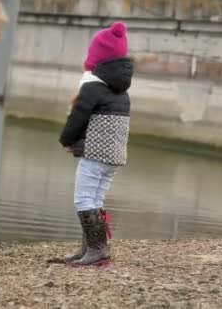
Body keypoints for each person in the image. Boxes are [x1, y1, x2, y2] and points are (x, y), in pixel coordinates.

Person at [57, 21, 133, 267]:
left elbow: (79, 117)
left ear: (96, 57)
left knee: (84, 199)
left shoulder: (92, 86)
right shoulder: (121, 91)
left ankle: (97, 250)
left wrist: (66, 139)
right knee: (96, 199)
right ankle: (90, 249)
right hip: (114, 156)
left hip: (95, 155)